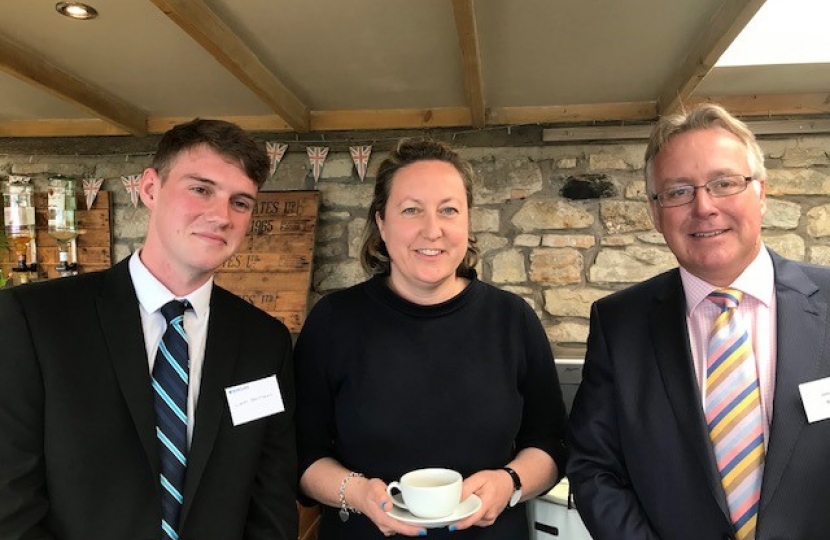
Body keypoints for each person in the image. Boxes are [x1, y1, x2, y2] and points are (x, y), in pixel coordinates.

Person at [0, 119, 298, 540]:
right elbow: (9, 496)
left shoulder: (264, 342)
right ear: (150, 189)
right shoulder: (37, 320)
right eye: (201, 189)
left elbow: (271, 498)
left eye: (241, 202)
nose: (220, 215)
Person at [567, 103, 830, 540]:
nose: (703, 206)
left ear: (761, 193)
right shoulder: (619, 324)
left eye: (724, 183)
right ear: (655, 214)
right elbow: (594, 466)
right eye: (678, 191)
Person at [294, 138, 568, 540]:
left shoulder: (513, 320)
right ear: (382, 224)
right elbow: (302, 453)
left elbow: (551, 442)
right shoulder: (334, 321)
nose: (432, 229)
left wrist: (509, 481)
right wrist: (356, 492)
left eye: (449, 210)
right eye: (411, 210)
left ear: (467, 222)